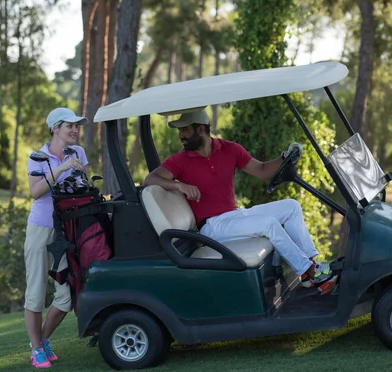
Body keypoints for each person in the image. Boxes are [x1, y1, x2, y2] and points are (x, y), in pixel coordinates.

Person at [143, 109, 336, 294]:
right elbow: (150, 180)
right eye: (180, 130)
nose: (181, 135)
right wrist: (179, 186)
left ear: (200, 129)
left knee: (291, 206)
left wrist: (284, 157)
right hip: (212, 227)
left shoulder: (229, 149)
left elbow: (261, 170)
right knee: (269, 224)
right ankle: (308, 270)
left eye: (184, 129)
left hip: (235, 216)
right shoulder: (179, 160)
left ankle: (312, 267)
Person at [24, 107, 90, 369]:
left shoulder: (79, 152)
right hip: (41, 228)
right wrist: (62, 167)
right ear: (55, 128)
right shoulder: (37, 157)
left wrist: (79, 173)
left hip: (68, 228)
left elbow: (85, 184)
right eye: (69, 125)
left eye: (76, 125)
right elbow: (35, 192)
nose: (75, 129)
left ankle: (41, 340)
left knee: (65, 295)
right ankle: (37, 350)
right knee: (36, 291)